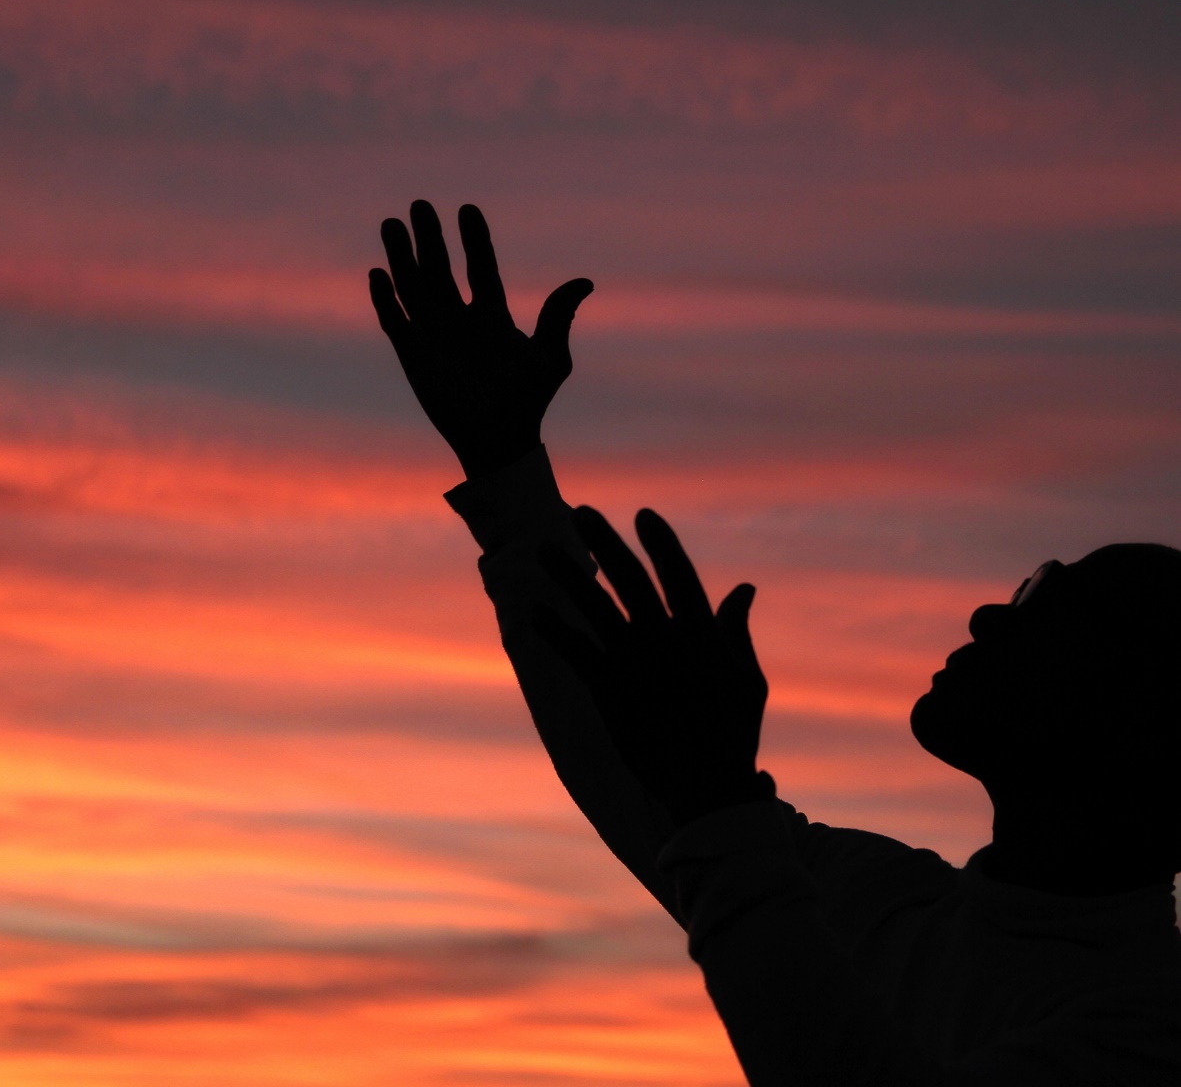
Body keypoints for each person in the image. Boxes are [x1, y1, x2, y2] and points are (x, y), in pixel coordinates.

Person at [368, 200, 1181, 1086]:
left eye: (1059, 607)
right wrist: (504, 467)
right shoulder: (878, 898)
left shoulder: (1146, 1025)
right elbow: (651, 793)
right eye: (1028, 583)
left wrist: (715, 795)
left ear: (1147, 725)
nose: (994, 615)